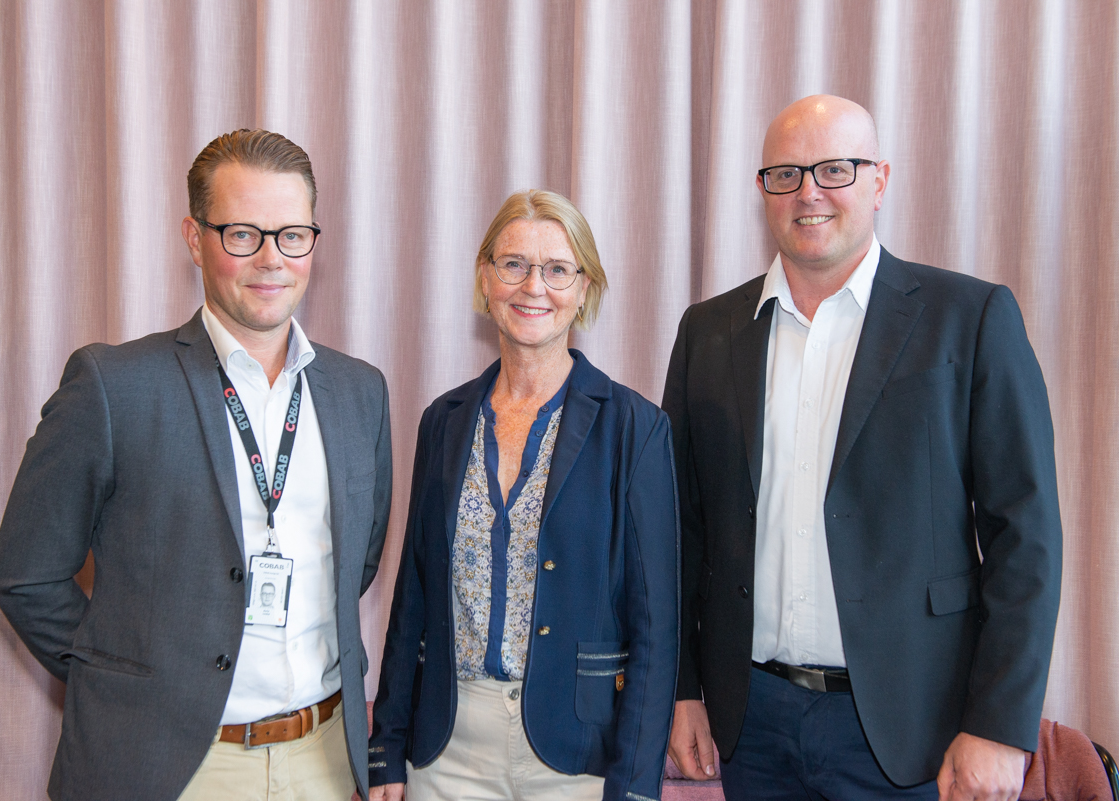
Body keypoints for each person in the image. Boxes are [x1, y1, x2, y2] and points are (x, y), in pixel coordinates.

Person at [663, 95, 1062, 801]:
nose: (808, 191)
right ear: (762, 190)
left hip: (914, 727)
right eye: (786, 173)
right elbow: (679, 531)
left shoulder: (969, 319)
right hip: (752, 721)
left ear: (879, 180)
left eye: (835, 169)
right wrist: (682, 687)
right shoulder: (708, 331)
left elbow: (1025, 536)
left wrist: (1000, 725)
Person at [0, 129, 392, 801]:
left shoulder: (360, 392)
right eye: (242, 234)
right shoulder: (113, 386)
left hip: (322, 760)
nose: (271, 258)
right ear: (194, 238)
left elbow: (359, 563)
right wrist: (124, 681)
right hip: (168, 767)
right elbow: (25, 576)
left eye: (292, 235)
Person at [368, 190, 679, 801]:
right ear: (486, 279)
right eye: (513, 264)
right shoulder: (443, 421)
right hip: (447, 751)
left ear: (584, 288)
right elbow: (413, 598)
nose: (533, 286)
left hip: (578, 758)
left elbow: (656, 627)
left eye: (557, 269)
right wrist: (387, 752)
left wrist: (636, 787)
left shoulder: (635, 428)